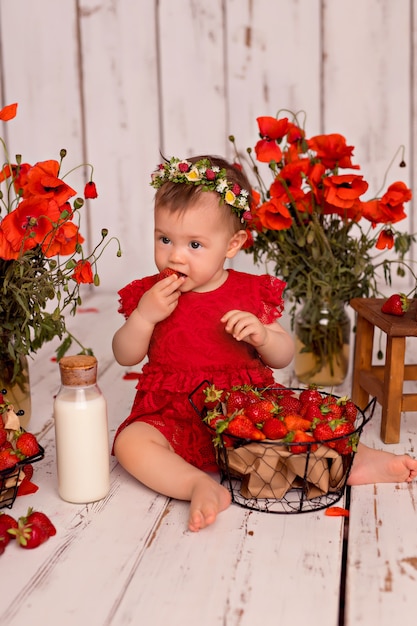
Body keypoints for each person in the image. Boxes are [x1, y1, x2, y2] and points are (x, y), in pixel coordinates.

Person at [112, 155, 417, 532]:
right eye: (164, 239)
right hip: (173, 414)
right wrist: (144, 316)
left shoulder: (249, 291)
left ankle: (358, 460)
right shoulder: (150, 294)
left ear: (232, 243)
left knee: (300, 428)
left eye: (194, 244)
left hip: (246, 411)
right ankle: (195, 484)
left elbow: (283, 354)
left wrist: (263, 334)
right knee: (131, 442)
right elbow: (124, 355)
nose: (175, 255)